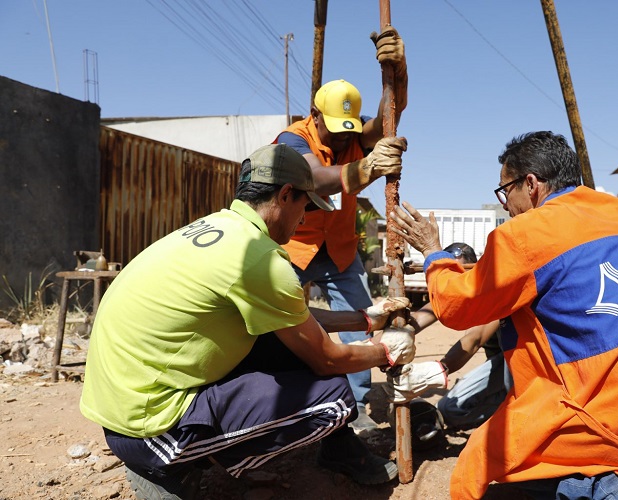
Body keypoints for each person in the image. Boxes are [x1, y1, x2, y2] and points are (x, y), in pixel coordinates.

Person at [390, 131, 618, 500]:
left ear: (531, 184)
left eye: (506, 191)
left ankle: (611, 489)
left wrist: (433, 253)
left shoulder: (528, 233)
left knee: (482, 458)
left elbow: (458, 306)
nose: (506, 206)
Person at [79, 144, 416, 499]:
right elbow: (328, 359)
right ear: (286, 195)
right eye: (306, 206)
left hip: (121, 407)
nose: (305, 218)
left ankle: (194, 450)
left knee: (280, 341)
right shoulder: (262, 259)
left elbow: (288, 317)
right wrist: (387, 353)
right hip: (148, 430)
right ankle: (180, 465)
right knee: (335, 398)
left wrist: (364, 320)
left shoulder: (217, 229)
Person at [274, 26, 409, 433]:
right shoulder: (292, 139)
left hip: (341, 251)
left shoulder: (351, 132)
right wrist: (368, 167)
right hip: (294, 249)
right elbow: (316, 178)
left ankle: (358, 405)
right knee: (278, 320)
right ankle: (284, 393)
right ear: (314, 115)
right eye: (333, 125)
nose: (343, 133)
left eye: (348, 126)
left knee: (364, 319)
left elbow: (390, 114)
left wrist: (398, 70)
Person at [405, 243, 512, 430]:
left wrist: (436, 371)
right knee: (450, 409)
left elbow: (474, 340)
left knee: (516, 397)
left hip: (518, 361)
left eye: (458, 277)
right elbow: (418, 320)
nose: (453, 284)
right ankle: (501, 408)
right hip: (499, 363)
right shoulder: (450, 293)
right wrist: (378, 344)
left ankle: (510, 414)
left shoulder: (493, 293)